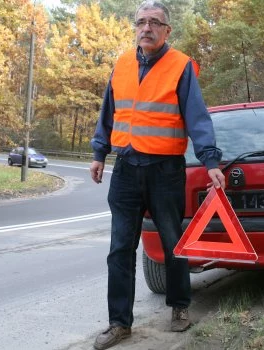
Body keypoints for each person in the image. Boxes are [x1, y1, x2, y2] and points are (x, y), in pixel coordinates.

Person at [88, 1, 225, 349]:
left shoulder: (181, 66)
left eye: (154, 23)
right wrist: (99, 153)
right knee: (120, 248)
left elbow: (197, 117)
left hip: (165, 171)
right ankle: (119, 323)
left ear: (167, 31)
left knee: (172, 242)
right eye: (141, 22)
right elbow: (109, 112)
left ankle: (179, 307)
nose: (146, 28)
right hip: (126, 169)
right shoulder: (120, 65)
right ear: (135, 27)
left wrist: (210, 161)